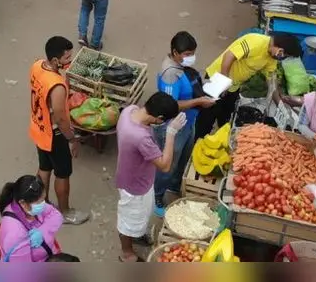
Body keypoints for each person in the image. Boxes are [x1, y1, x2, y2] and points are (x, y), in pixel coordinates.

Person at [116, 92, 184, 262]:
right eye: (164, 121)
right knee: (128, 219)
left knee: (138, 215)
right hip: (135, 185)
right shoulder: (141, 137)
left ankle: (136, 236)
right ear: (159, 117)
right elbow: (165, 165)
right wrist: (171, 133)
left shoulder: (130, 111)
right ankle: (127, 253)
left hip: (132, 173)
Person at [29, 36, 89, 225]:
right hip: (54, 134)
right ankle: (65, 213)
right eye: (66, 58)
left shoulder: (37, 66)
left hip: (38, 128)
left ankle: (40, 205)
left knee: (44, 168)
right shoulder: (57, 85)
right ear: (55, 61)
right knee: (63, 173)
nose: (69, 61)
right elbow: (62, 118)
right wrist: (72, 139)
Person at [154, 32, 215, 214]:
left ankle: (174, 186)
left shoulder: (180, 67)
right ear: (175, 52)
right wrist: (198, 102)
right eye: (187, 54)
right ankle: (157, 196)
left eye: (193, 53)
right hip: (174, 127)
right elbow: (170, 107)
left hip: (188, 122)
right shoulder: (170, 74)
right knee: (168, 163)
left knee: (183, 158)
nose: (191, 57)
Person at [198, 33, 303, 138]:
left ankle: (219, 140)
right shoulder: (255, 42)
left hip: (234, 86)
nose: (282, 57)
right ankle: (198, 143)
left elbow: (271, 82)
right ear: (280, 48)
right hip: (218, 78)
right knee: (207, 117)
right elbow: (229, 56)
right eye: (284, 55)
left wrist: (280, 104)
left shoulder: (271, 58)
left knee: (225, 117)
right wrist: (223, 82)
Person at [0, 175, 64, 262]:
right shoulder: (15, 235)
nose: (43, 204)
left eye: (44, 199)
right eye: (39, 201)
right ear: (23, 203)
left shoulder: (29, 207)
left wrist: (43, 231)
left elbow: (56, 214)